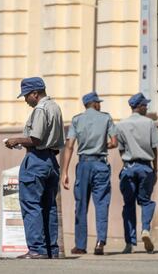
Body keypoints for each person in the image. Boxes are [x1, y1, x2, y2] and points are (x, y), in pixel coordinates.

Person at [5, 77, 65, 259]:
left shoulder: (40, 109)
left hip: (37, 160)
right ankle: (51, 249)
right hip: (51, 161)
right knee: (49, 207)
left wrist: (15, 140)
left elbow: (36, 139)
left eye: (26, 96)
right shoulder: (55, 107)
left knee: (31, 205)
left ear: (35, 94)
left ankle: (37, 249)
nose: (25, 100)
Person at [61, 91, 117, 255]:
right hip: (101, 165)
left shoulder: (77, 119)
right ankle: (100, 242)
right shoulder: (106, 118)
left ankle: (80, 245)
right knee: (101, 204)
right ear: (96, 104)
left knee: (81, 205)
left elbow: (70, 146)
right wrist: (102, 146)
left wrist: (64, 172)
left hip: (84, 164)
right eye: (99, 102)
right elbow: (114, 142)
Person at [116, 93, 158, 254]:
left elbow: (120, 149)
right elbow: (155, 148)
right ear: (139, 106)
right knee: (146, 202)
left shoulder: (121, 125)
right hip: (146, 167)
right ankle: (145, 230)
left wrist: (127, 163)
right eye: (145, 105)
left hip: (128, 168)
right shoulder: (149, 123)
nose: (147, 108)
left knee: (128, 205)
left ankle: (129, 243)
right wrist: (155, 169)